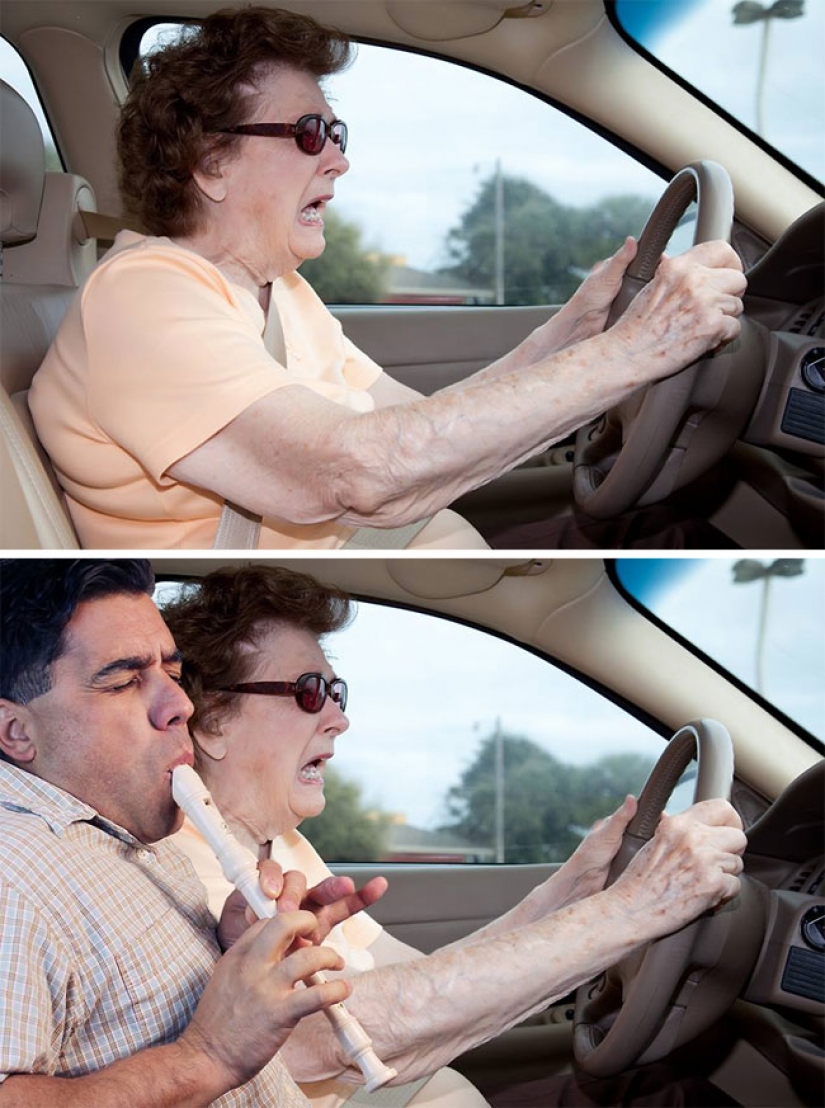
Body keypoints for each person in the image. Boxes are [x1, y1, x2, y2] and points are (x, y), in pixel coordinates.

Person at [28, 5, 747, 552]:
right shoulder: (145, 295)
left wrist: (575, 329)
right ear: (210, 164)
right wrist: (641, 348)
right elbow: (353, 473)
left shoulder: (281, 292)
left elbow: (424, 428)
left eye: (337, 136)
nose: (338, 160)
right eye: (310, 134)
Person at [163, 563, 748, 1108]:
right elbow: (318, 1038)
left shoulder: (278, 844)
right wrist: (639, 907)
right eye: (310, 691)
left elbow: (427, 979)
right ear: (211, 721)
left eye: (337, 694)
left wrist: (578, 886)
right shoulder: (180, 870)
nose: (339, 717)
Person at [0, 558, 387, 1107]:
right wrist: (205, 1058)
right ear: (16, 731)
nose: (181, 705)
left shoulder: (129, 835)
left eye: (173, 675)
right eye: (125, 682)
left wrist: (231, 949)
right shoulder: (12, 879)